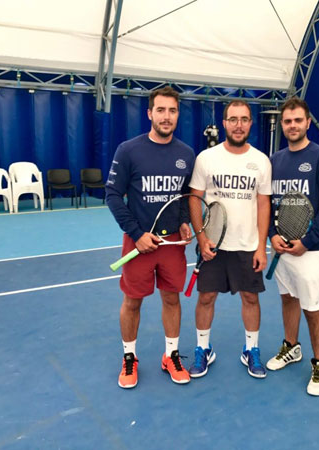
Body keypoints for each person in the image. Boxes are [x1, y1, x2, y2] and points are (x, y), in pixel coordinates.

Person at [105, 86, 196, 388]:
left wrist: (184, 221)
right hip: (139, 243)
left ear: (177, 114)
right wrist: (136, 234)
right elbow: (113, 195)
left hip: (172, 245)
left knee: (171, 298)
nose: (166, 116)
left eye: (172, 110)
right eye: (160, 110)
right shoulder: (128, 150)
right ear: (150, 113)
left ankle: (171, 355)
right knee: (132, 302)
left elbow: (183, 196)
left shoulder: (186, 154)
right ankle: (129, 357)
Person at [187, 100, 272, 379]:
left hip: (247, 247)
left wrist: (262, 246)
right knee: (206, 297)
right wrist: (201, 239)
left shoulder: (261, 161)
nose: (238, 125)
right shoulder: (206, 158)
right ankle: (203, 349)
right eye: (233, 119)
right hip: (214, 245)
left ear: (251, 123)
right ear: (224, 123)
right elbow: (195, 200)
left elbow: (263, 205)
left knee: (250, 297)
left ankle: (251, 350)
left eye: (244, 119)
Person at [265, 97, 319, 396]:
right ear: (282, 125)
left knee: (313, 308)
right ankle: (291, 347)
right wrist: (272, 234)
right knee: (288, 298)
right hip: (282, 249)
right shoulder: (275, 161)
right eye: (288, 121)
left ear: (308, 122)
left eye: (298, 120)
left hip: (313, 250)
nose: (293, 125)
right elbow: (269, 203)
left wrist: (306, 242)